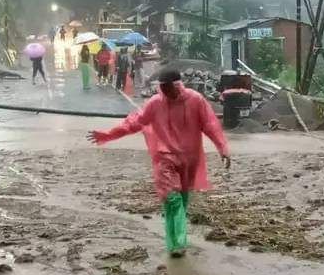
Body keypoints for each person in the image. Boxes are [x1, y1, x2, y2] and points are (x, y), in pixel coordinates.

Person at [88, 69, 230, 258]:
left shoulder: (195, 100)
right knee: (172, 198)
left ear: (178, 86)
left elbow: (211, 125)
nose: (166, 92)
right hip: (165, 158)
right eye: (162, 88)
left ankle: (173, 244)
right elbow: (135, 123)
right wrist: (107, 135)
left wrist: (223, 149)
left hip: (189, 159)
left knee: (181, 202)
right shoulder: (156, 103)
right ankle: (179, 243)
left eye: (168, 88)